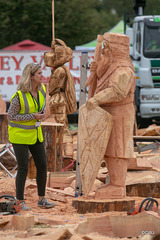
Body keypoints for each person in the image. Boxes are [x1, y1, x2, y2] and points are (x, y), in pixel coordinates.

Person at [86, 33, 136, 199]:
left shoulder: (123, 69)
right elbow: (101, 77)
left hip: (120, 114)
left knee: (118, 149)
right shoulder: (110, 66)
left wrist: (96, 99)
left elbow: (117, 91)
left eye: (106, 48)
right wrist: (96, 70)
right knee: (109, 149)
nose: (103, 51)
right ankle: (113, 182)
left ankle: (118, 185)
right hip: (108, 114)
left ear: (115, 50)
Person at [7, 62, 56, 210]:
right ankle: (20, 202)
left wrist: (40, 115)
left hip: (35, 134)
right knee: (23, 168)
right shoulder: (19, 96)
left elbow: (40, 109)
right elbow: (11, 116)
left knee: (42, 166)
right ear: (31, 76)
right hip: (20, 136)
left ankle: (41, 199)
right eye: (40, 73)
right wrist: (31, 116)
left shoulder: (41, 92)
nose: (43, 76)